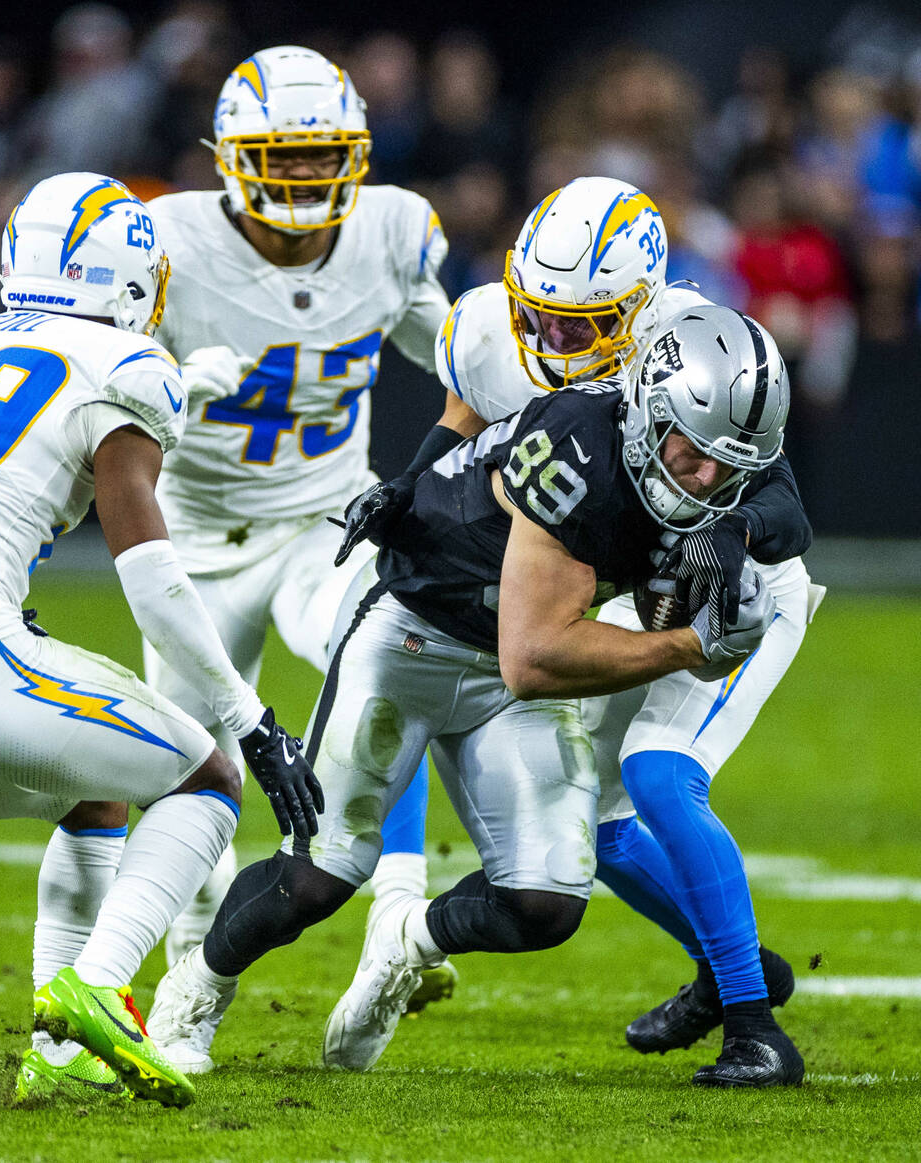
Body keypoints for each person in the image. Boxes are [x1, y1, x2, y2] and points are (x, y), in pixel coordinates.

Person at [146, 304, 792, 1081]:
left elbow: (781, 511)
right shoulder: (580, 446)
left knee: (545, 901)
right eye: (697, 454)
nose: (711, 478)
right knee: (319, 873)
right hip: (416, 637)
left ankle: (406, 944)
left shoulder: (714, 439)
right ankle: (194, 991)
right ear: (654, 410)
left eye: (732, 462)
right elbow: (535, 655)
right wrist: (690, 644)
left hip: (515, 663)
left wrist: (738, 534)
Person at [0, 171, 323, 1109]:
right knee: (206, 776)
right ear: (128, 280)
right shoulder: (127, 366)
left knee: (99, 792)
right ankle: (96, 987)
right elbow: (151, 577)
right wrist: (248, 716)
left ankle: (56, 1049)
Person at [338, 176, 818, 1087]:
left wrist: (733, 529)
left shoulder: (696, 344)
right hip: (643, 589)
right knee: (593, 823)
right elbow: (462, 420)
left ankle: (755, 1026)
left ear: (641, 307)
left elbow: (784, 499)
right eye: (543, 317)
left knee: (657, 771)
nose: (556, 342)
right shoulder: (488, 328)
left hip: (739, 594)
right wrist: (405, 493)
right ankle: (739, 970)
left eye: (583, 324)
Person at [139, 44, 457, 1002]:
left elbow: (454, 351)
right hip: (191, 537)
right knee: (189, 768)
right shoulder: (164, 241)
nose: (309, 175)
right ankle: (192, 960)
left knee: (389, 656)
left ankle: (400, 905)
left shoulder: (392, 231)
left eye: (325, 155)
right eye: (286, 154)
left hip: (323, 516)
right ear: (231, 156)